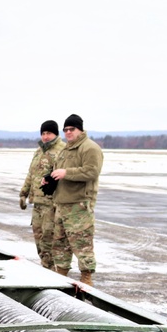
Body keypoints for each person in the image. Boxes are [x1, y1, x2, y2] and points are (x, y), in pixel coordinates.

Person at [46, 113, 103, 286]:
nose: (68, 133)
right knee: (60, 243)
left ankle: (86, 276)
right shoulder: (66, 149)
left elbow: (92, 171)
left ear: (80, 129)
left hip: (79, 204)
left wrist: (67, 173)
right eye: (66, 130)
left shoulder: (89, 148)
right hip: (62, 203)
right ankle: (61, 273)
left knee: (81, 243)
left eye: (72, 129)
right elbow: (58, 171)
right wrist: (49, 179)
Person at [19, 119, 65, 270]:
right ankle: (45, 267)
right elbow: (31, 175)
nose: (45, 137)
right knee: (38, 239)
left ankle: (53, 270)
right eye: (43, 133)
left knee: (49, 239)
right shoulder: (39, 151)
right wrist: (23, 193)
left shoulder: (62, 151)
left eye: (49, 133)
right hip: (37, 203)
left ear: (56, 134)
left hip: (51, 204)